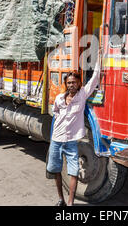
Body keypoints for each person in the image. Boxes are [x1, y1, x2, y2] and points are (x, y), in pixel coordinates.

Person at [46, 59, 101, 206]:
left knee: (73, 171)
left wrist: (100, 57)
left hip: (71, 141)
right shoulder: (59, 98)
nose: (71, 85)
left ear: (79, 84)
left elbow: (95, 78)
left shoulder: (82, 95)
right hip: (56, 140)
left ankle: (70, 202)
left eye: (74, 82)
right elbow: (56, 113)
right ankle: (61, 199)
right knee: (55, 170)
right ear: (66, 84)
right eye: (69, 82)